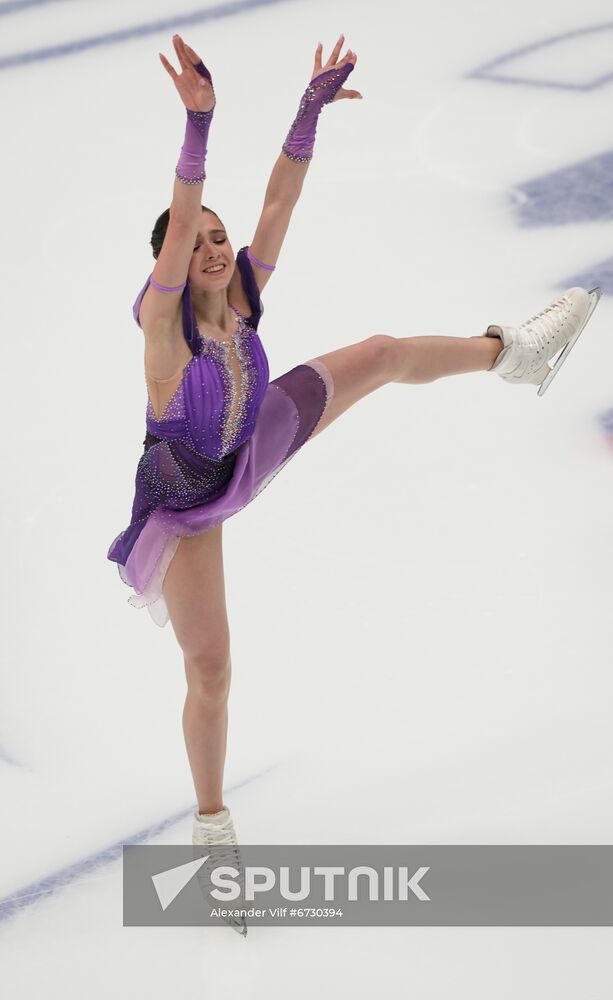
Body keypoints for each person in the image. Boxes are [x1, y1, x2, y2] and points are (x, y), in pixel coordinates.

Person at [107, 33, 599, 936]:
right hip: (184, 503)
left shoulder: (245, 293)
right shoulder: (161, 333)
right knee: (210, 669)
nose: (216, 249)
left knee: (375, 354)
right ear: (170, 269)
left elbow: (280, 200)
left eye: (221, 239)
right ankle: (212, 827)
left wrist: (304, 114)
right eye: (200, 243)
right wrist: (197, 124)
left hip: (252, 438)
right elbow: (177, 224)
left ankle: (515, 356)